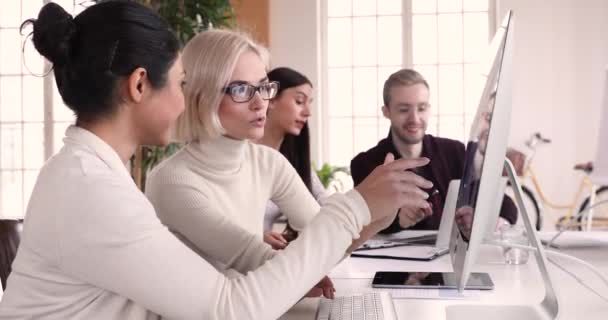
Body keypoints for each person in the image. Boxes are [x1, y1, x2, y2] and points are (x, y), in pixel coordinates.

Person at [0, 2, 430, 319]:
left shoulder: (90, 174)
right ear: (139, 85)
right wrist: (356, 205)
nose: (184, 98)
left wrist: (365, 211)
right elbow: (230, 308)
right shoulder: (92, 189)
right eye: (182, 82)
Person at [144, 29, 433, 303]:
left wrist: (379, 216)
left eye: (264, 88)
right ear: (202, 94)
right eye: (242, 89)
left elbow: (326, 238)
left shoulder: (268, 162)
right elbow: (257, 260)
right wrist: (363, 204)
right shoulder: (172, 180)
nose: (261, 103)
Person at [350, 69, 517, 234]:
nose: (414, 119)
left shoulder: (455, 152)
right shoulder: (365, 164)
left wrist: (482, 220)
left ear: (429, 109)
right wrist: (396, 220)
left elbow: (505, 205)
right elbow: (360, 224)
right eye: (403, 110)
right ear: (386, 112)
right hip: (387, 261)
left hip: (447, 260)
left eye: (421, 108)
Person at [256, 67, 328, 249]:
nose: (308, 112)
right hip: (234, 262)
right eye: (299, 101)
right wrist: (256, 238)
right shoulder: (242, 155)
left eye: (309, 103)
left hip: (268, 260)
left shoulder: (292, 160)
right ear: (270, 99)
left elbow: (324, 205)